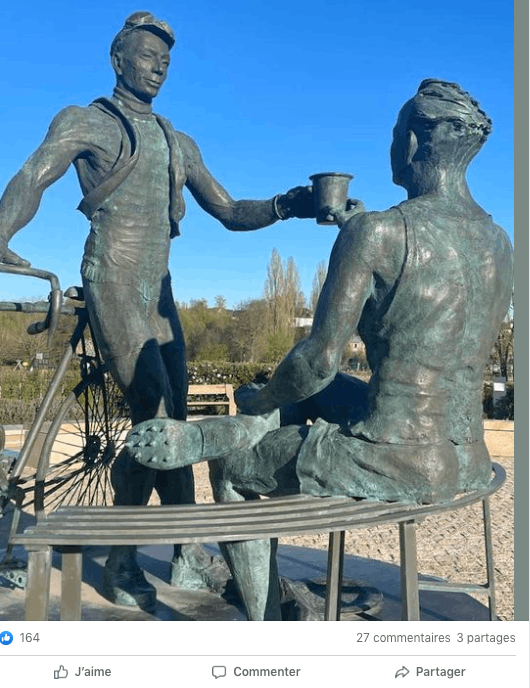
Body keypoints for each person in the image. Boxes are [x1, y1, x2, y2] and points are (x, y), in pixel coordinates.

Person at [126, 79, 514, 620]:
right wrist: (365, 233)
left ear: (409, 144)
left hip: (397, 458)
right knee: (318, 396)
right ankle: (244, 430)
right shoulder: (499, 241)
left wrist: (260, 400)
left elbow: (317, 358)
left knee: (233, 467)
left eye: (396, 133)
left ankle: (267, 622)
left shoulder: (377, 233)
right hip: (467, 455)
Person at [0, 11, 315, 610]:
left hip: (160, 287)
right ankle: (131, 560)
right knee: (160, 414)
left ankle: (180, 550)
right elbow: (33, 175)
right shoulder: (87, 120)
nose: (159, 66)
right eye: (147, 55)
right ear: (118, 59)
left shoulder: (178, 140)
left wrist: (285, 203)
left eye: (166, 59)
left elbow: (226, 209)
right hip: (113, 274)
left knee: (174, 425)